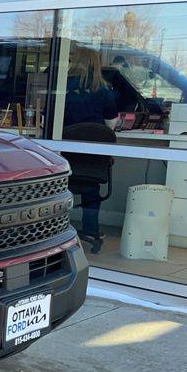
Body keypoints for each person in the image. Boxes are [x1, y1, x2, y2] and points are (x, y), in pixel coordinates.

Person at [63, 46, 118, 250]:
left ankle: (58, 231)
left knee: (64, 187)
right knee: (91, 188)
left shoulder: (63, 87)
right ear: (96, 64)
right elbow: (111, 125)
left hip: (67, 156)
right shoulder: (104, 90)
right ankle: (91, 231)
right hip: (93, 158)